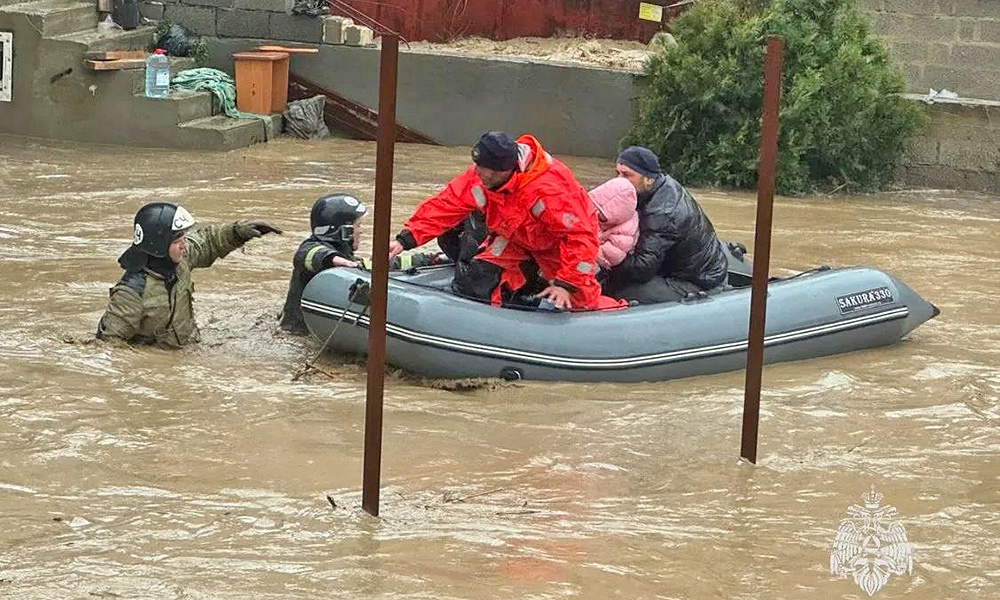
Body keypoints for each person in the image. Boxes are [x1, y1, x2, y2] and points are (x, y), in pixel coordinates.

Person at [388, 131, 618, 310]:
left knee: (579, 302)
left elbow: (580, 236)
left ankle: (619, 313)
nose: (476, 171)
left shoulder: (549, 190)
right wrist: (405, 239)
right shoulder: (483, 177)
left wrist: (567, 283)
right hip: (515, 238)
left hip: (556, 248)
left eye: (483, 168)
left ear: (503, 170)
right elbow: (447, 204)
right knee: (479, 275)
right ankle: (503, 313)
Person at [96, 202, 282, 347]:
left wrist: (238, 232)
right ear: (159, 246)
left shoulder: (180, 260)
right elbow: (111, 347)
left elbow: (208, 241)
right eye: (178, 241)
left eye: (183, 238)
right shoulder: (131, 293)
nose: (184, 245)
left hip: (188, 348)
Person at [603, 146, 728, 304]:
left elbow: (643, 268)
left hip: (697, 282)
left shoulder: (663, 212)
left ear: (649, 179)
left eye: (627, 175)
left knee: (614, 290)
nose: (619, 181)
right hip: (676, 266)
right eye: (618, 174)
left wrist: (605, 258)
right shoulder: (653, 188)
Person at [280, 193, 367, 335]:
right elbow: (311, 255)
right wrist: (337, 260)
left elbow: (373, 265)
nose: (361, 230)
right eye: (358, 225)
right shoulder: (311, 248)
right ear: (345, 231)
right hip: (298, 333)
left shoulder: (346, 256)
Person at [588, 177, 639, 271]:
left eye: (601, 213)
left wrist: (589, 245)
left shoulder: (626, 230)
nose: (597, 213)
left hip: (602, 263)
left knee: (582, 268)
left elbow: (613, 256)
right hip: (592, 246)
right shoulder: (595, 213)